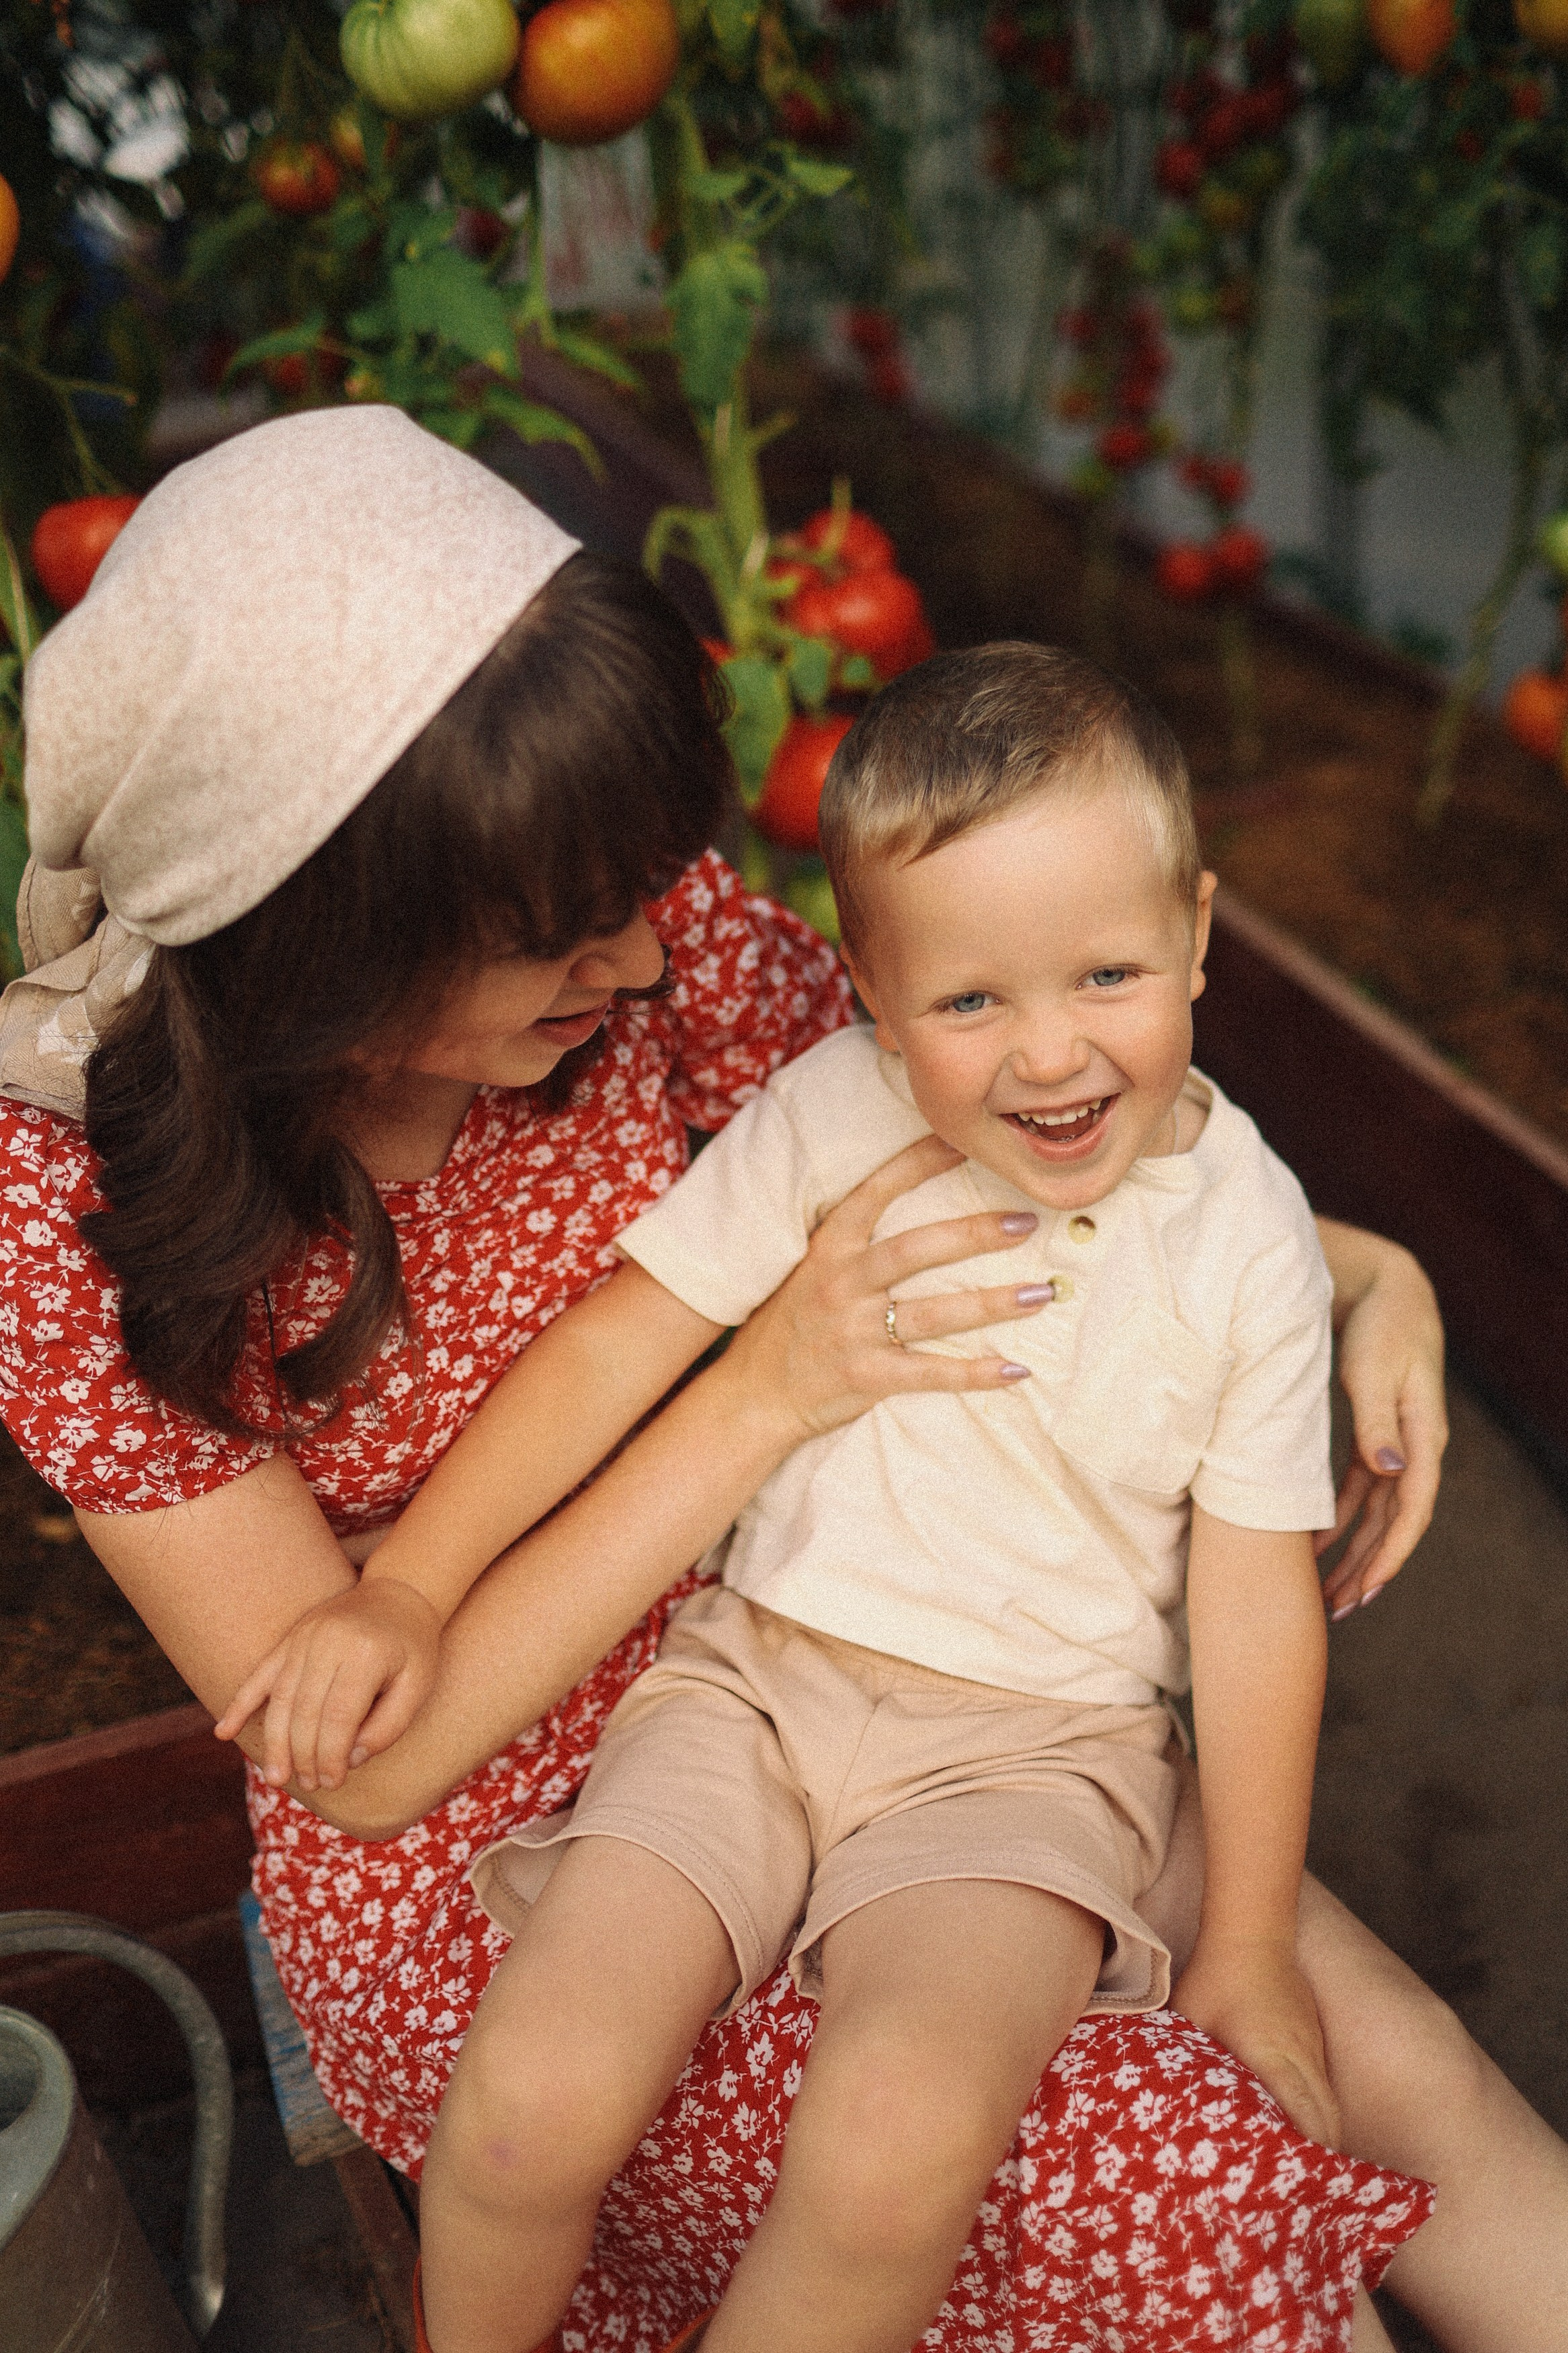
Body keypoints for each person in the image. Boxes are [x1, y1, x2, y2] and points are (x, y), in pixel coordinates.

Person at [0, 409, 1561, 2353]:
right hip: (483, 1825)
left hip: (890, 1615)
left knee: (1382, 2049)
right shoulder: (65, 1207)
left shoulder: (655, 949)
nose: (647, 958)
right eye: (560, 935)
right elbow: (375, 1760)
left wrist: (1358, 1270)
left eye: (642, 887)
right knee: (1169, 2171)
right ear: (331, 946)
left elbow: (993, 1123)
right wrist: (763, 1395)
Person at [253, 640, 1426, 2353]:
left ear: (1196, 932)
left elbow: (1256, 1605)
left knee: (891, 2151)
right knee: (526, 2095)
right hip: (750, 1684)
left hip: (1028, 1759)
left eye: (1106, 973)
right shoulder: (833, 1114)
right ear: (869, 990)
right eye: (969, 1002)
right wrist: (409, 1588)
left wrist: (1246, 1945)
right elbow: (618, 1341)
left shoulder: (1250, 1242)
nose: (1047, 1054)